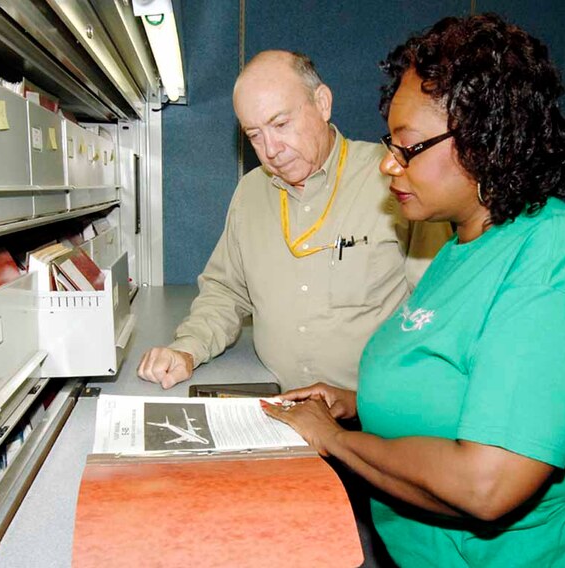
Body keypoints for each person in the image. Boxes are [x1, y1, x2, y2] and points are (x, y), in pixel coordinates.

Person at [263, 14, 565, 567]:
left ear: (483, 142)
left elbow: (487, 485)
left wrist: (333, 440)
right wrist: (355, 405)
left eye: (407, 147)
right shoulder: (461, 244)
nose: (388, 164)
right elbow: (455, 386)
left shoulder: (556, 260)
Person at [137, 50, 451, 391]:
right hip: (280, 408)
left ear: (322, 103)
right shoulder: (250, 193)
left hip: (372, 416)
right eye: (254, 135)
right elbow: (225, 292)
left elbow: (435, 307)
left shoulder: (396, 180)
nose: (271, 149)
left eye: (281, 124)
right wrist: (187, 349)